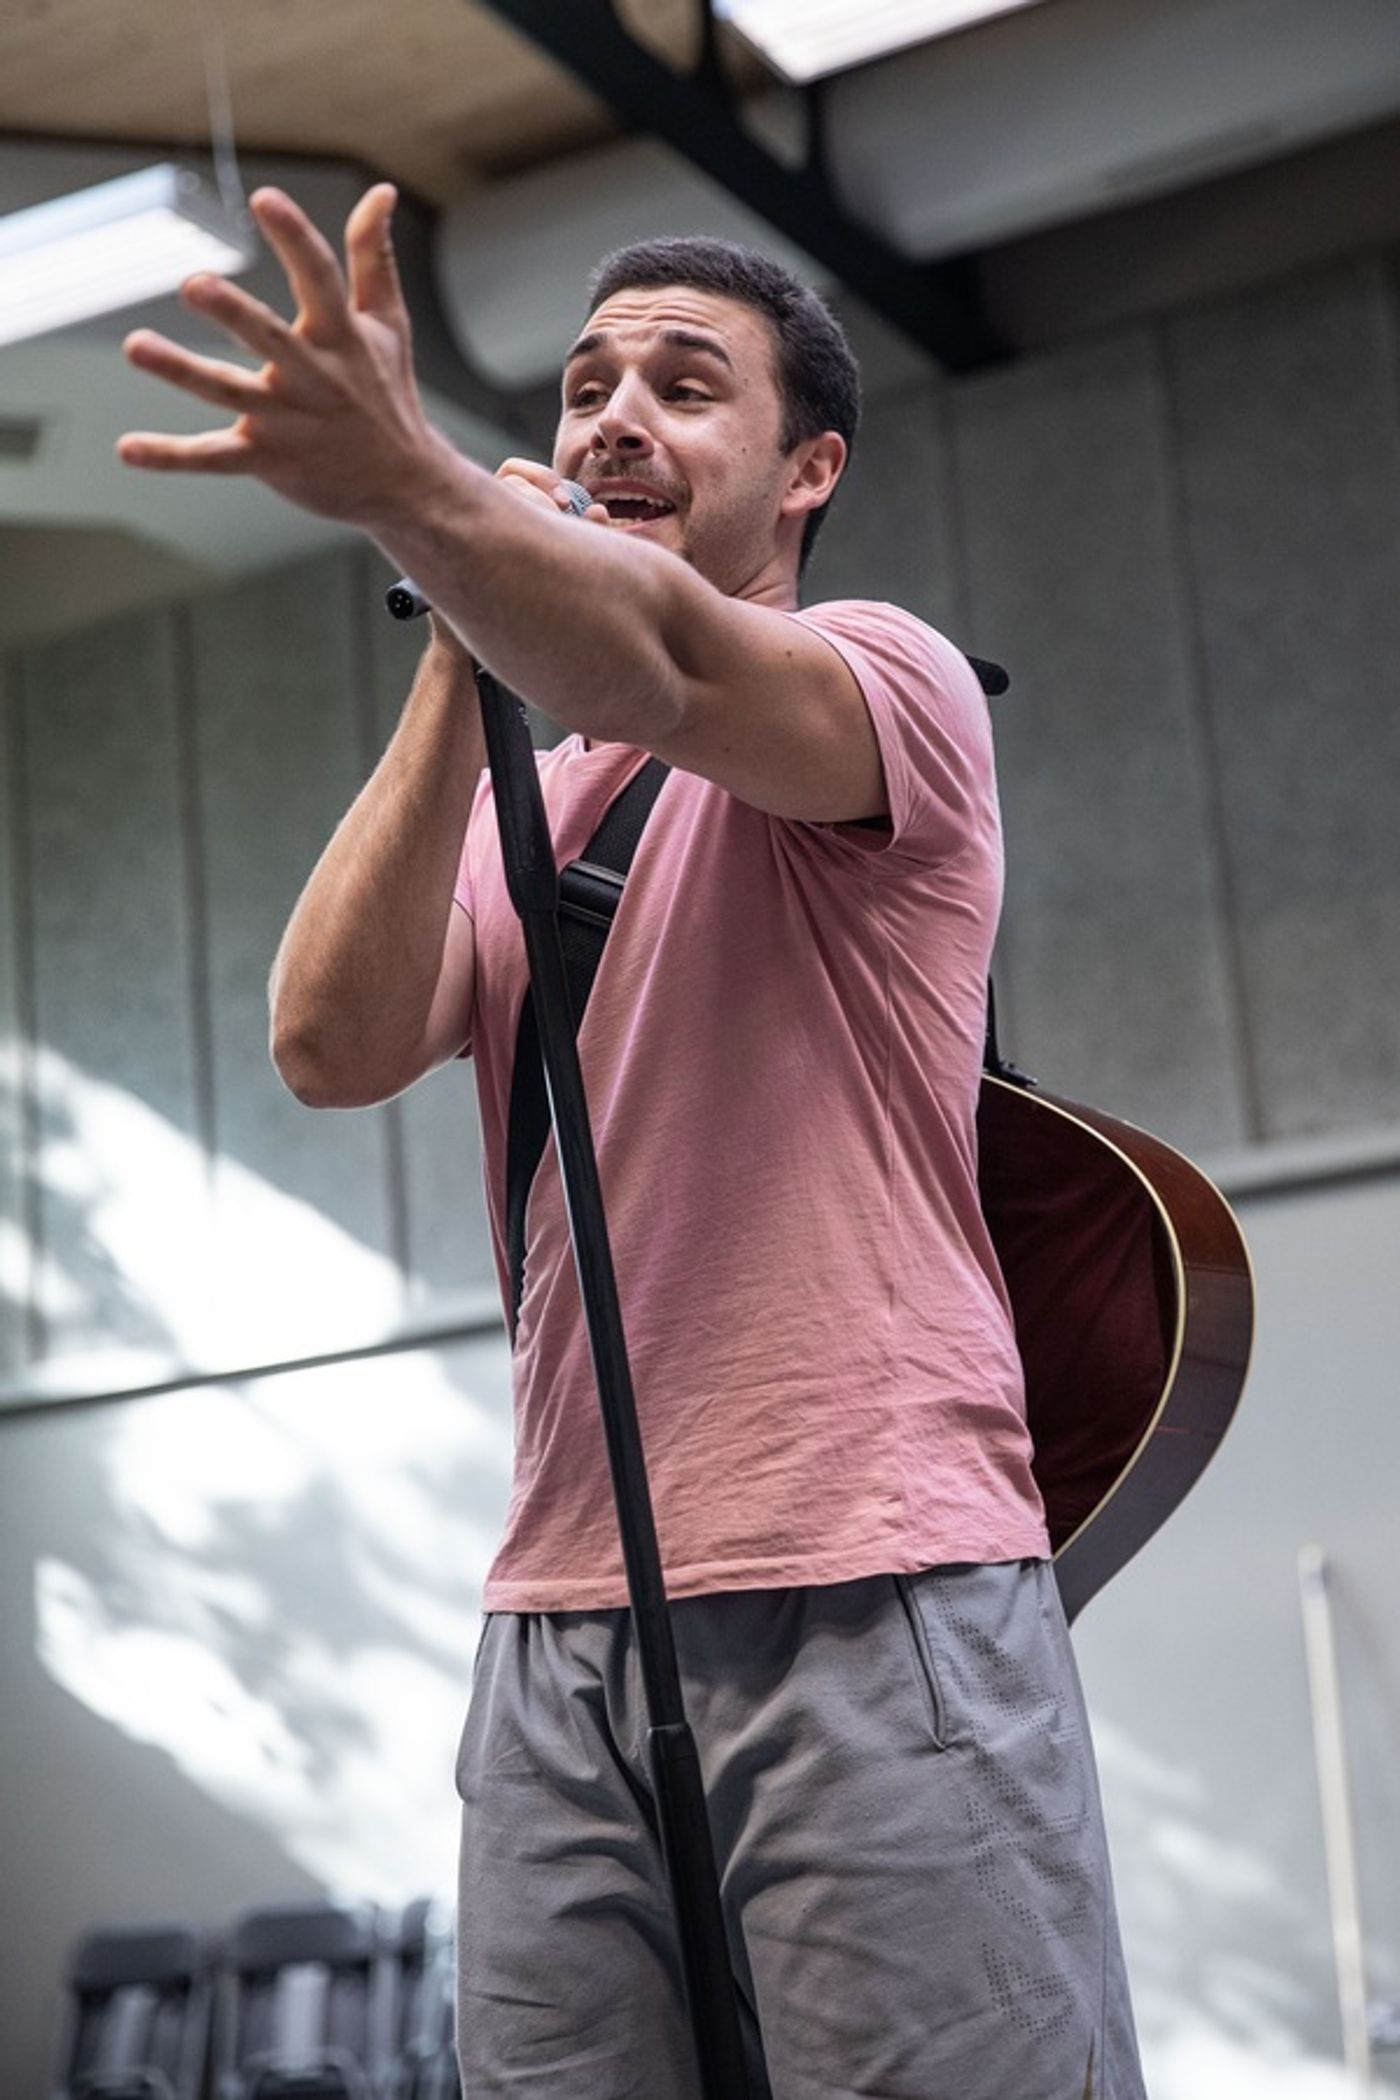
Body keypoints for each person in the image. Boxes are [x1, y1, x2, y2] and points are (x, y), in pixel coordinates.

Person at [118, 183, 1146, 2100]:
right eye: (589, 386)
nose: (614, 422)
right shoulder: (536, 796)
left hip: (871, 1588)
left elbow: (661, 667)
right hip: (558, 1621)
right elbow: (328, 1041)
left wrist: (419, 492)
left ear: (808, 470)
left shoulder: (886, 681)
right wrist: (464, 641)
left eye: (685, 386)